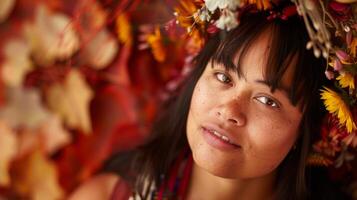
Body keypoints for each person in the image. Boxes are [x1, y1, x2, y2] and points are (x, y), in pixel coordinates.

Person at [69, 2, 352, 200]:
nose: (229, 110)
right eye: (223, 77)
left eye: (267, 100)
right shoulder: (108, 195)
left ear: (310, 129)